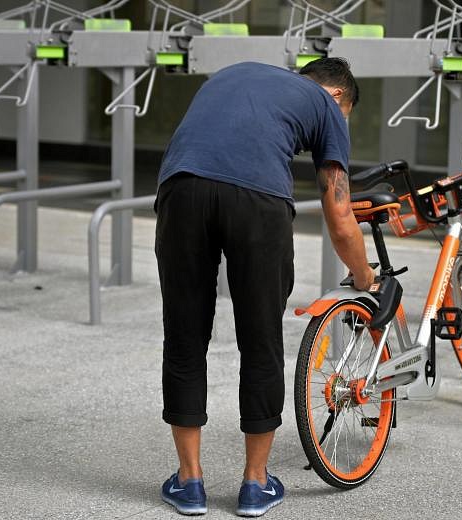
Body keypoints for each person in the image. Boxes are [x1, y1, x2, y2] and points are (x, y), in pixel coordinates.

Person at [154, 58, 375, 517]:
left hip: (181, 190)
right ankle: (255, 485)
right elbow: (339, 216)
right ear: (338, 96)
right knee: (261, 342)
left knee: (184, 337)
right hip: (258, 202)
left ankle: (189, 483)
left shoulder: (236, 72)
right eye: (346, 115)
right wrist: (364, 275)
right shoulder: (327, 106)